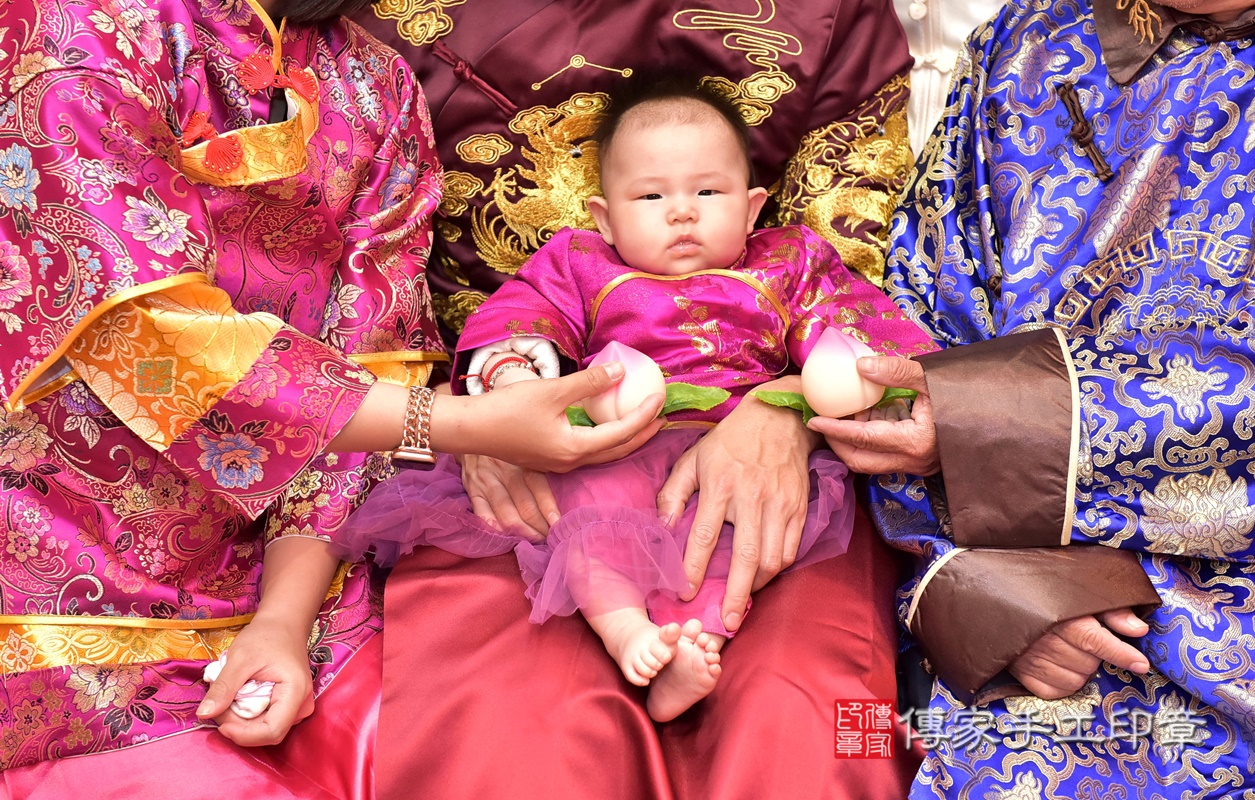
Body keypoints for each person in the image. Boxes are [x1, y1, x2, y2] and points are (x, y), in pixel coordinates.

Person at [0, 0, 661, 796]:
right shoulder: (77, 23)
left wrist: (282, 618)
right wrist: (456, 423)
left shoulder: (376, 86)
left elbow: (370, 356)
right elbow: (139, 336)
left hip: (284, 560)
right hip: (49, 539)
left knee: (518, 731)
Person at [356, 1, 927, 796]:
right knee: (583, 526)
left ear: (754, 204)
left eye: (708, 192)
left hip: (755, 443)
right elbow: (515, 318)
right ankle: (628, 632)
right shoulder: (579, 262)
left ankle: (696, 650)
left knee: (760, 575)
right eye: (652, 198)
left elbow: (859, 322)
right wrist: (510, 383)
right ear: (604, 215)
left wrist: (831, 385)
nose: (683, 213)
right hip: (609, 440)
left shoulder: (788, 261)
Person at [813, 0, 1255, 795]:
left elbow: (950, 405)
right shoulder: (1027, 43)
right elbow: (910, 335)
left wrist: (979, 419)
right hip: (1018, 573)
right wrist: (974, 585)